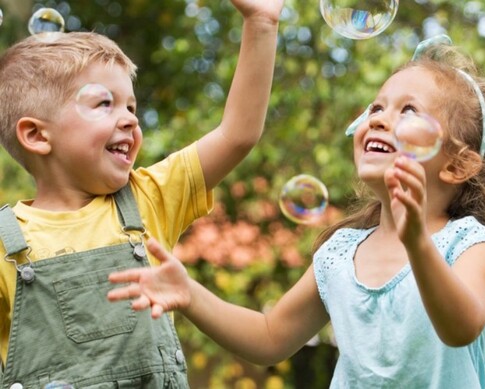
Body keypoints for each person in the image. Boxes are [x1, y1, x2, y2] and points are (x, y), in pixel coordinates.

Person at [107, 35, 485, 388]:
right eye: (375, 107)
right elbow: (270, 337)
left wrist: (416, 244)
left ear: (459, 163)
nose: (378, 118)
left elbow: (461, 326)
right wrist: (190, 294)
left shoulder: (469, 243)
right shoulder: (340, 254)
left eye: (408, 109)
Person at [0, 0, 283, 387]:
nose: (131, 118)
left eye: (132, 106)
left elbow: (237, 135)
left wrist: (261, 22)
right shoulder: (5, 244)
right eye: (105, 103)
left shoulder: (149, 197)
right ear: (36, 135)